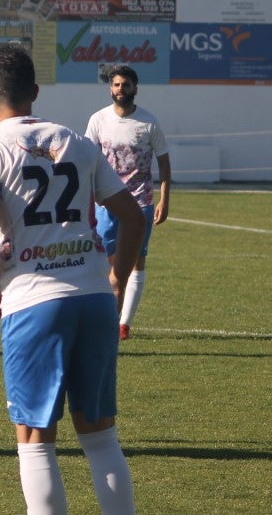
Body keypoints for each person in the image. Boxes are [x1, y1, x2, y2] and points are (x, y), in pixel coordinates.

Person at [0, 43, 144, 515]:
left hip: (34, 299)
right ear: (35, 92)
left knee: (36, 441)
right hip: (95, 297)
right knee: (101, 437)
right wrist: (117, 276)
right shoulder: (76, 141)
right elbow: (131, 216)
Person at [84, 64, 171, 339]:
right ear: (111, 89)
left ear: (136, 88)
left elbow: (164, 163)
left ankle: (123, 324)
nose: (121, 89)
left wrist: (164, 199)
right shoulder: (98, 120)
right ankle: (108, 319)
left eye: (126, 85)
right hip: (106, 202)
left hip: (140, 203)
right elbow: (88, 160)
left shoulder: (149, 122)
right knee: (110, 266)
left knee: (136, 263)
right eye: (117, 85)